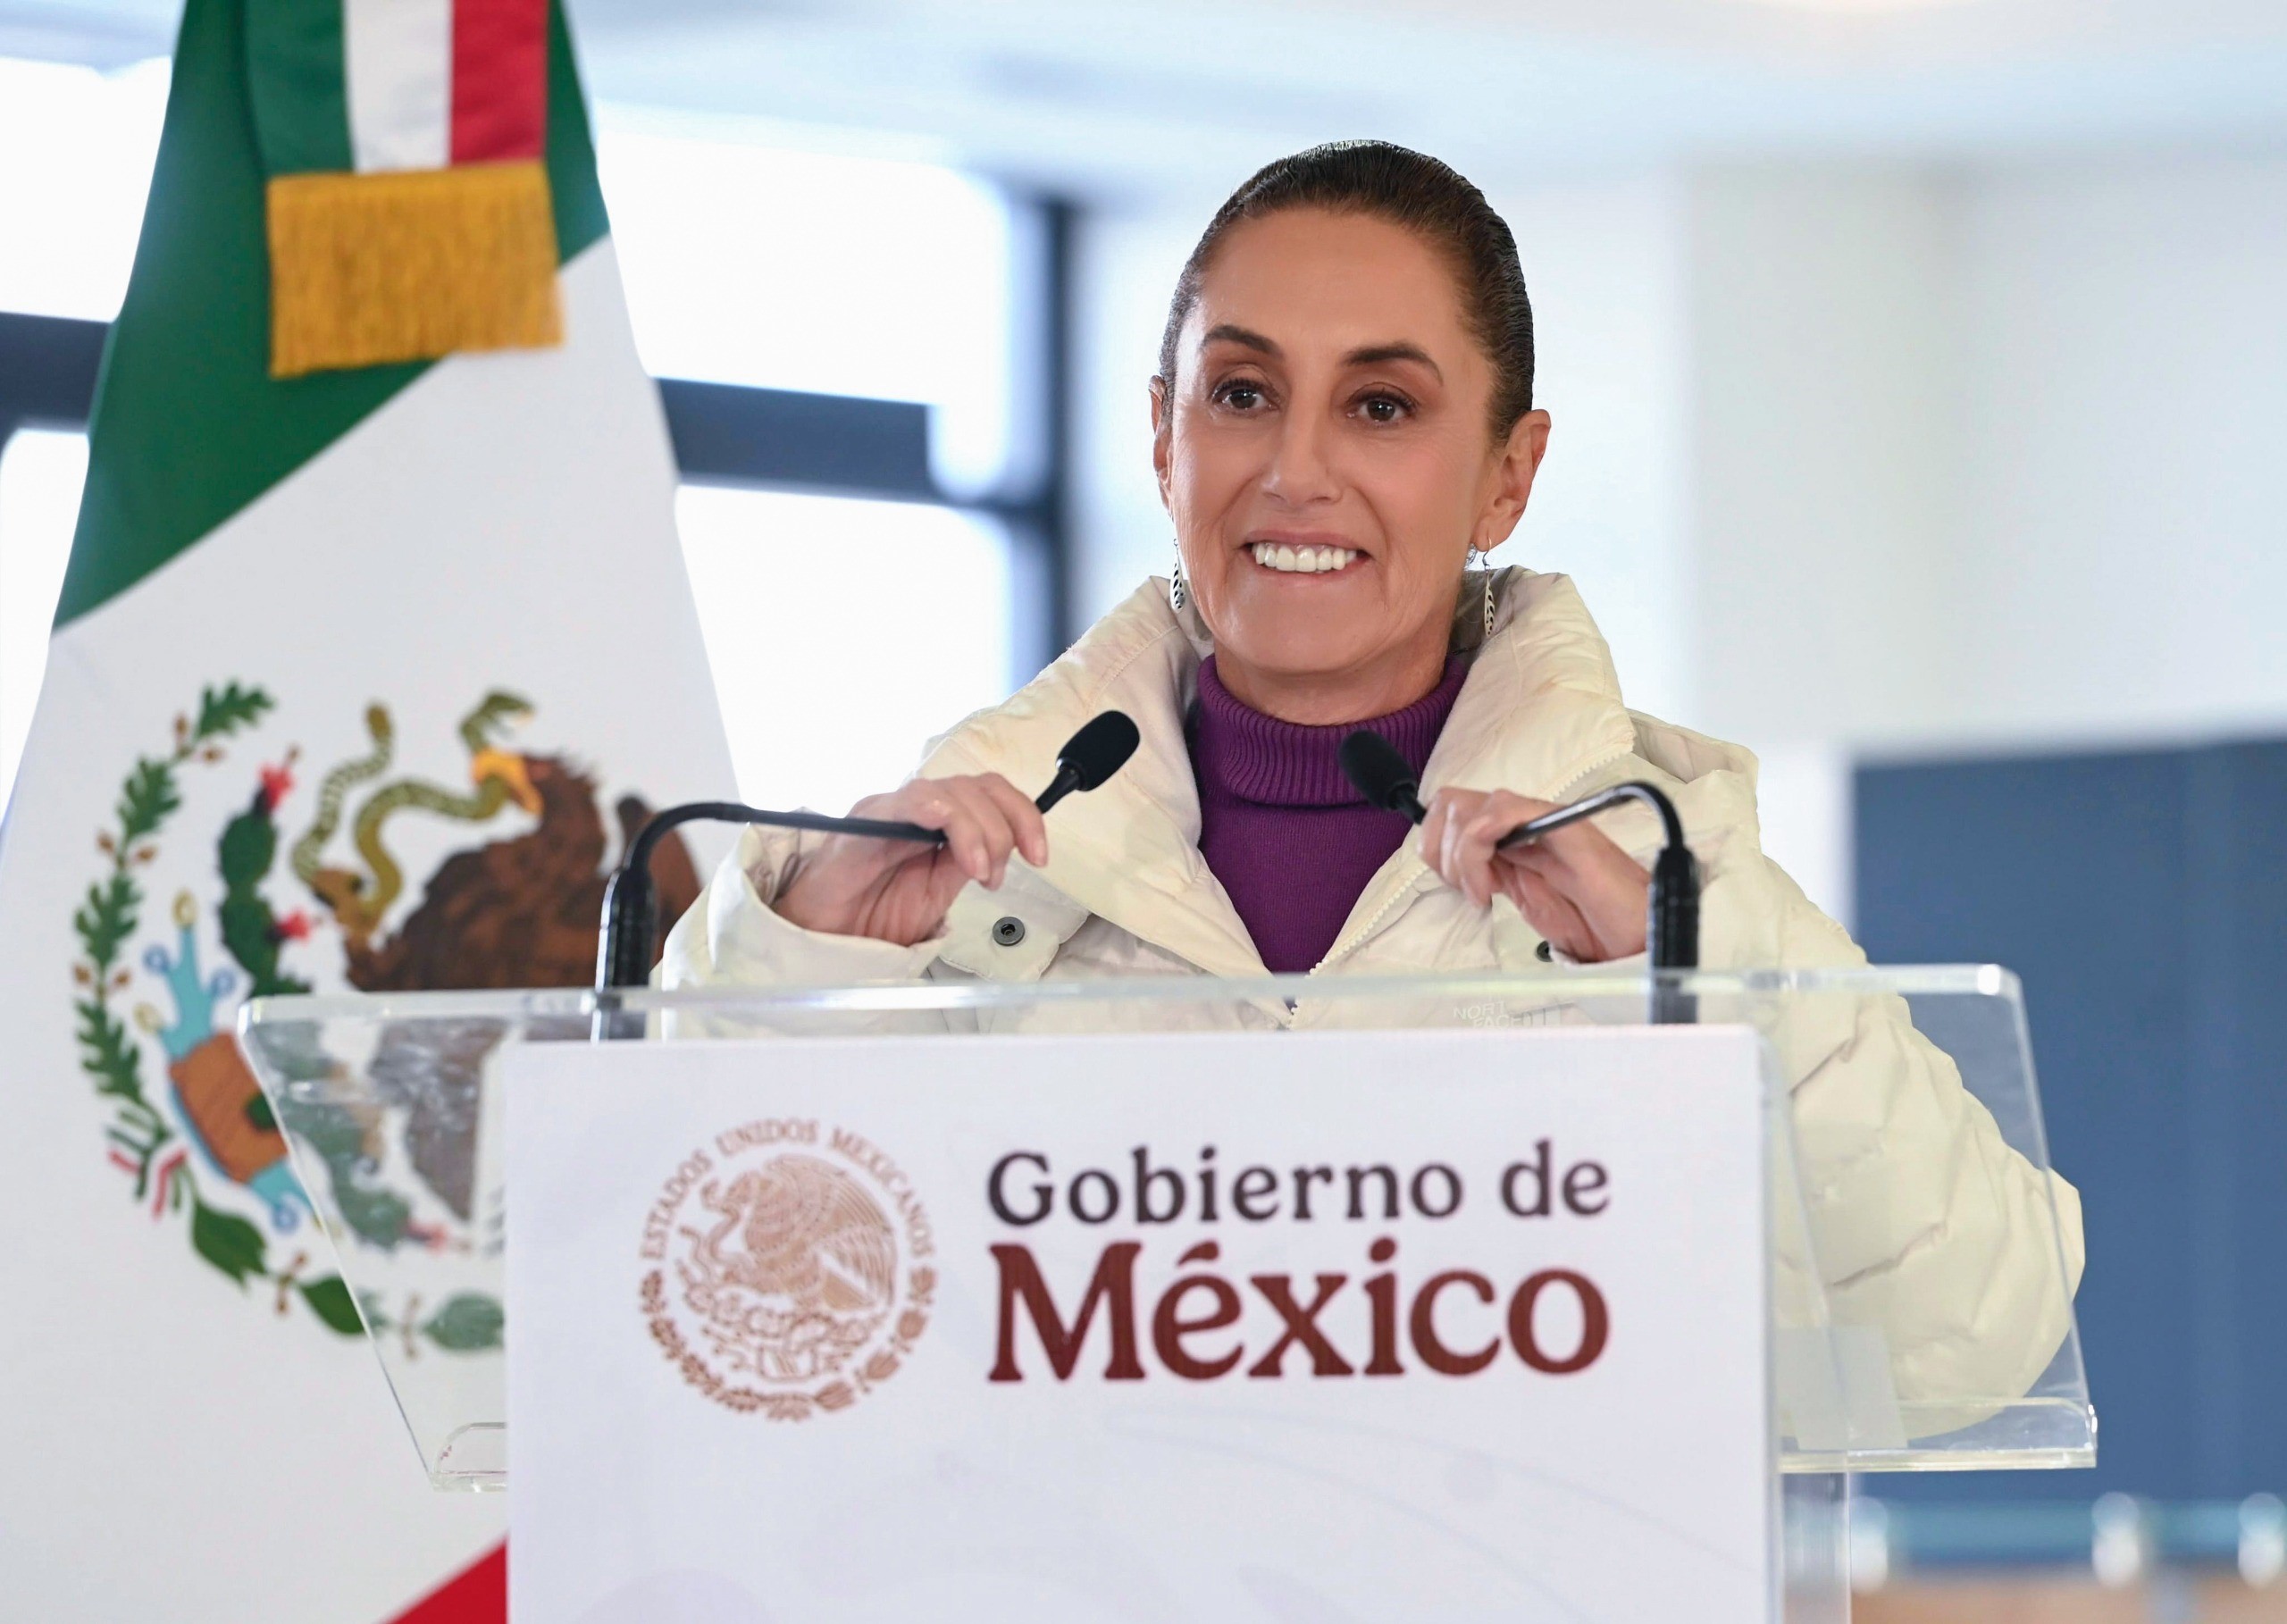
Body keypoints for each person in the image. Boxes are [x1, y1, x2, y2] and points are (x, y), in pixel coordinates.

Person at [662, 140, 2082, 1419]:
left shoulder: (1661, 868)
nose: (1296, 469)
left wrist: (1709, 983)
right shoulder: (962, 865)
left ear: (1508, 475)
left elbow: (1969, 1341)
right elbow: (669, 1306)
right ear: (1163, 435)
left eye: (1382, 406)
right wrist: (799, 962)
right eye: (1242, 393)